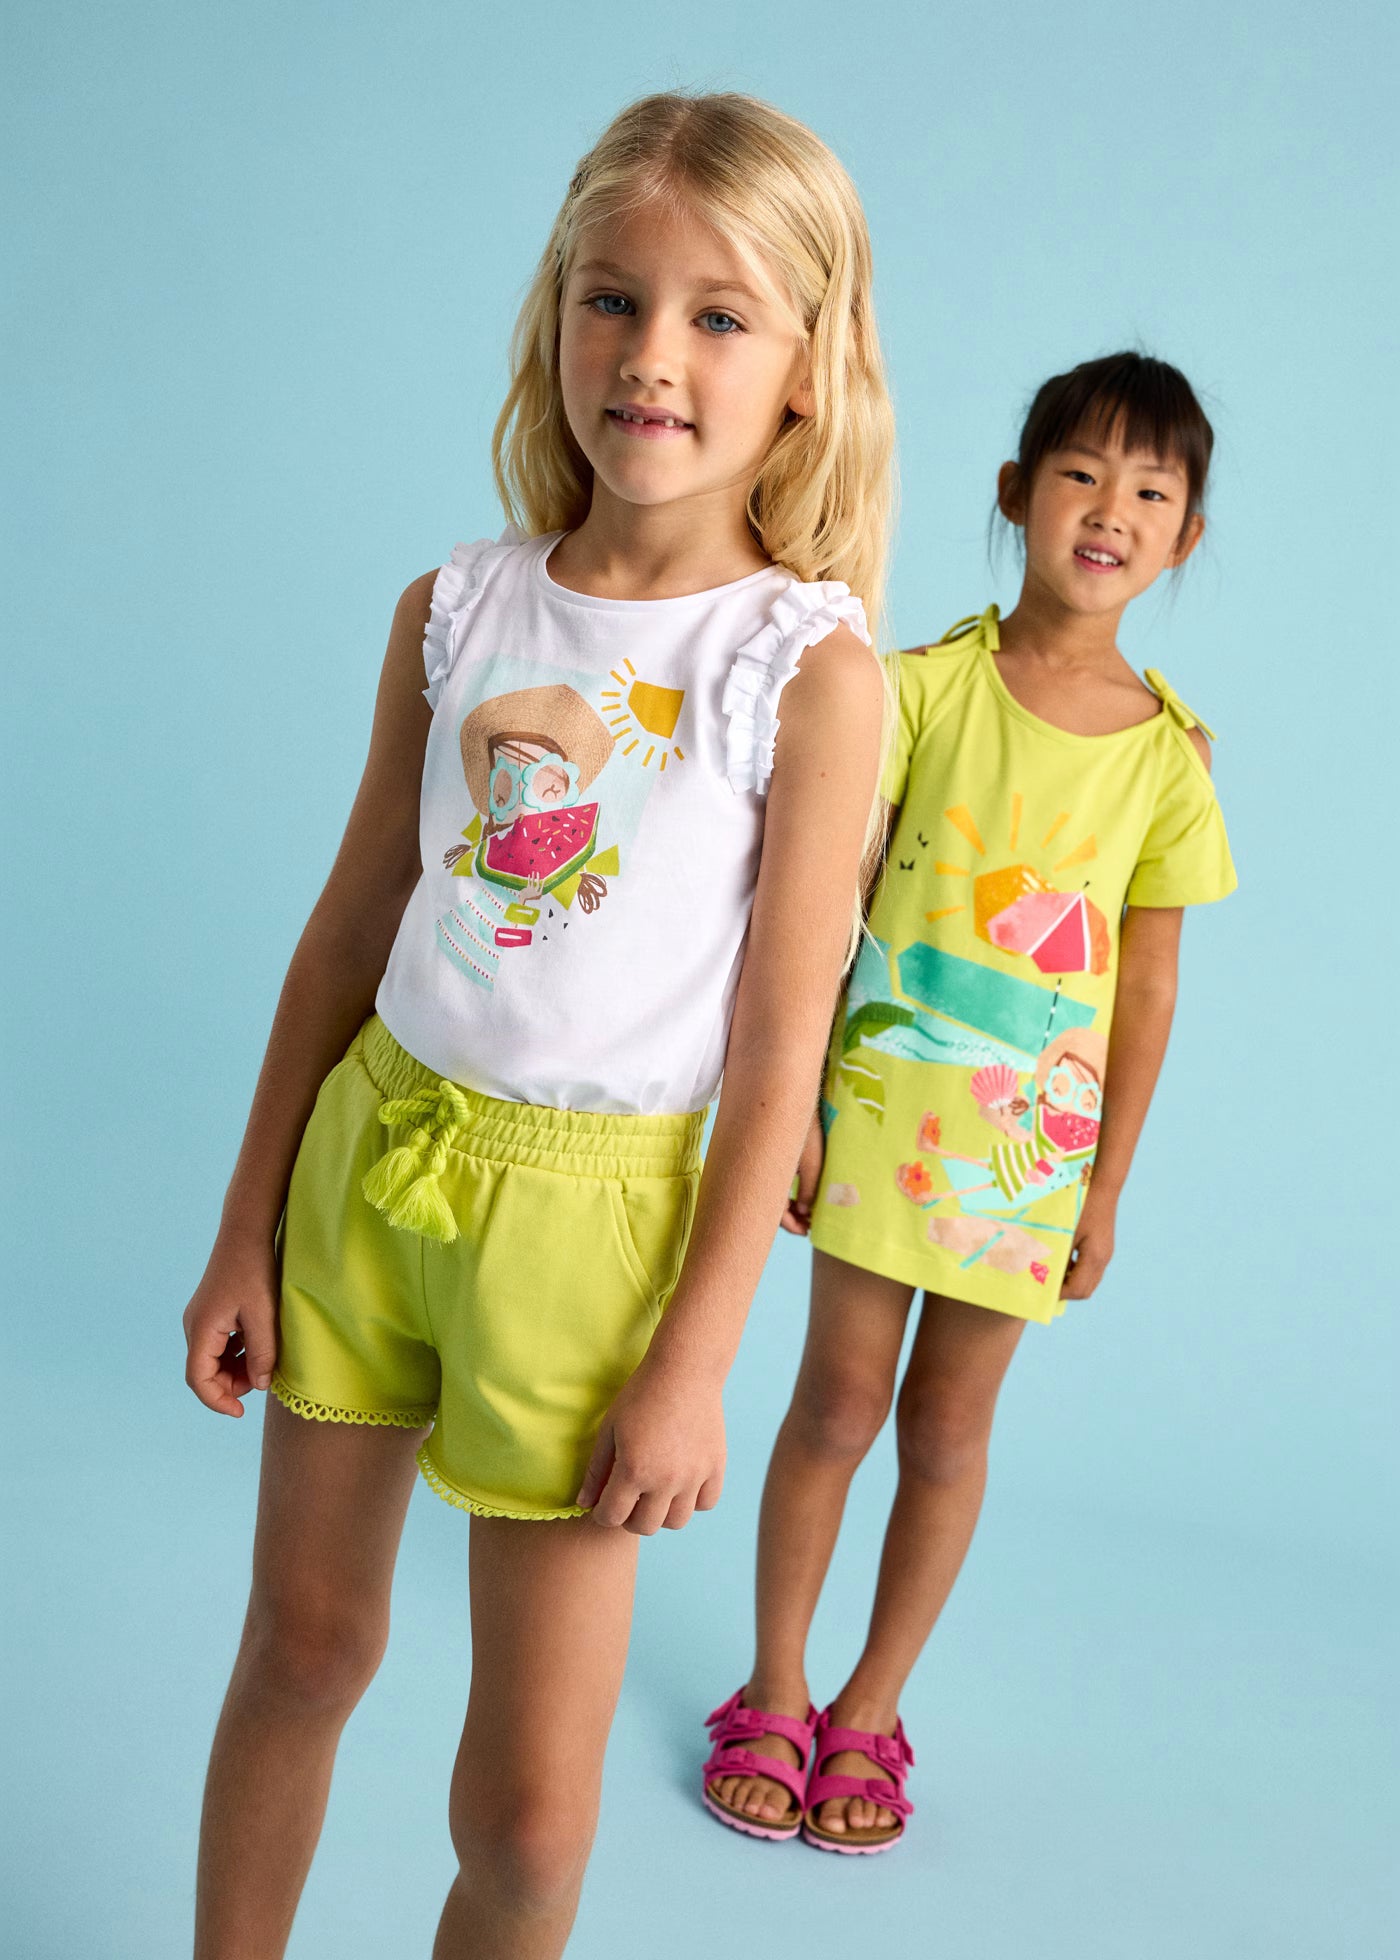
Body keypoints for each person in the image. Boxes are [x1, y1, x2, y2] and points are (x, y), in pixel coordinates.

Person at [182, 90, 893, 1957]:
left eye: (719, 317)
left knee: (526, 1815)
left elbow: (780, 1052)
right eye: (611, 299)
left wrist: (695, 1362)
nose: (652, 356)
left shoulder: (802, 672)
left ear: (807, 368)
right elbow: (349, 931)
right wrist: (246, 1224)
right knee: (301, 1651)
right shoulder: (457, 606)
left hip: (596, 1248)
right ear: (556, 317)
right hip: (372, 1175)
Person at [702, 352, 1237, 1853]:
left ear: (1186, 536)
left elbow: (1147, 991)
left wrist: (1105, 1187)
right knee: (835, 1405)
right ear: (1014, 494)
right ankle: (776, 1685)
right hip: (881, 1112)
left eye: (1151, 493)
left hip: (1027, 1160)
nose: (1110, 511)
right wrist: (798, 1104)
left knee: (946, 1430)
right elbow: (825, 901)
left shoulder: (1170, 761)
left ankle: (870, 1709)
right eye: (1080, 474)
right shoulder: (914, 689)